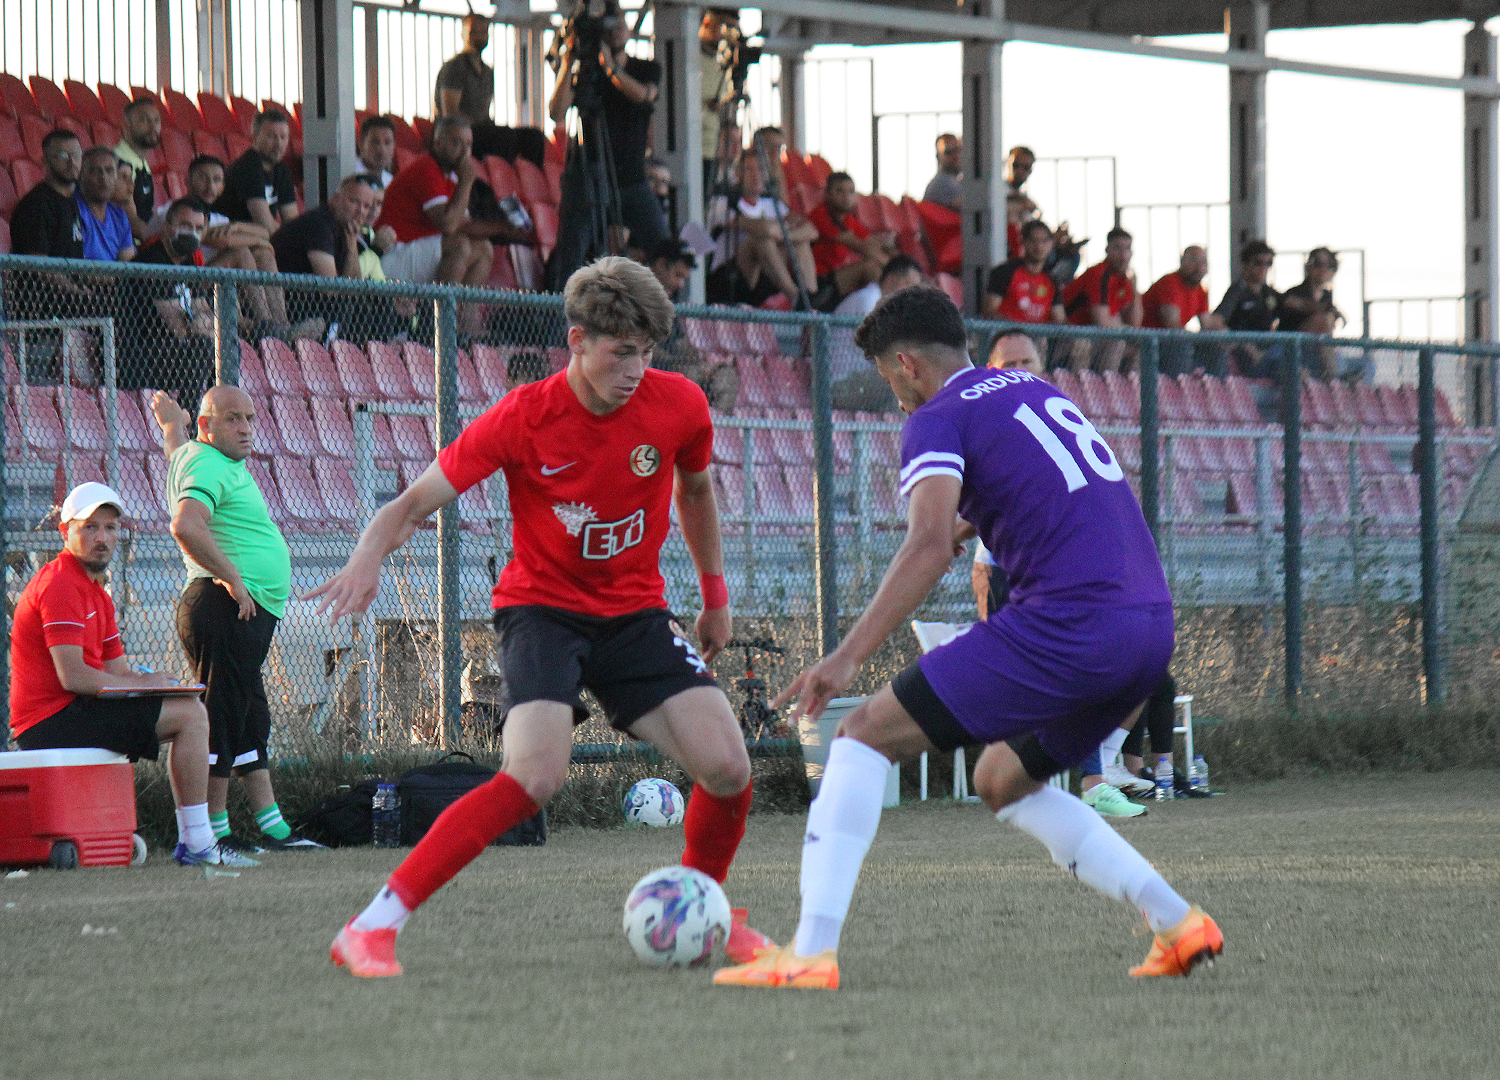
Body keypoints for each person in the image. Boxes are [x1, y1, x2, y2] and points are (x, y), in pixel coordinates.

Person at [714, 286, 1221, 990]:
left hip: (1068, 623)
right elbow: (1035, 490)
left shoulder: (936, 416)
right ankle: (1178, 921)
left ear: (906, 364)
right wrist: (964, 525)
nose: (893, 396)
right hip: (1147, 628)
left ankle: (809, 952)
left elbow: (924, 545)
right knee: (1002, 779)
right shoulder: (1036, 393)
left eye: (889, 378)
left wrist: (845, 656)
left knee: (860, 734)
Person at [309, 257, 775, 978]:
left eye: (647, 353)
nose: (635, 369)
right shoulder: (524, 417)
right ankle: (371, 927)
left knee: (727, 766)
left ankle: (704, 910)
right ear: (578, 340)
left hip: (635, 615)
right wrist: (369, 557)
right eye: (622, 353)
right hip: (543, 614)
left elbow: (698, 490)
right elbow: (409, 504)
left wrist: (716, 598)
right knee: (534, 775)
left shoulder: (678, 403)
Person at [10, 482, 256, 868]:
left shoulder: (97, 592)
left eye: (110, 528)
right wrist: (149, 686)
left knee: (187, 703)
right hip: (49, 721)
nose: (102, 538)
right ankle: (198, 842)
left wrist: (156, 681)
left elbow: (116, 672)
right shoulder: (59, 584)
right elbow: (74, 678)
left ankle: (197, 839)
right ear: (65, 532)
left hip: (75, 710)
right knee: (191, 715)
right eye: (89, 528)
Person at [150, 387, 325, 852]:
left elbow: (178, 452)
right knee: (222, 719)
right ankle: (214, 832)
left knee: (249, 717)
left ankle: (272, 827)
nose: (246, 427)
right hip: (224, 606)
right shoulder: (208, 463)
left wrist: (172, 425)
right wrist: (232, 577)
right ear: (208, 427)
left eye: (250, 418)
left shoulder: (197, 455)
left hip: (237, 609)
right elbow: (186, 525)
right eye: (233, 419)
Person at [548, 0, 667, 279]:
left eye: (620, 23)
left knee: (663, 248)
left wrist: (610, 67)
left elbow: (643, 95)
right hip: (587, 177)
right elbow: (557, 112)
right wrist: (570, 60)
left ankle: (663, 316)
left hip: (632, 179)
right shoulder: (585, 72)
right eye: (608, 25)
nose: (615, 30)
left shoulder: (645, 69)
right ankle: (556, 318)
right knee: (572, 254)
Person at [376, 116, 494, 289]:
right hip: (392, 253)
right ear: (437, 143)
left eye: (468, 145)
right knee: (459, 246)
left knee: (484, 249)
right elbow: (448, 226)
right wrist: (466, 182)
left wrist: (506, 229)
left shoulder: (452, 176)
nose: (464, 151)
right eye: (456, 143)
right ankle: (446, 314)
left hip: (415, 252)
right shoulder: (427, 169)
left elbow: (465, 224)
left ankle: (466, 314)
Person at [119, 198, 216, 403]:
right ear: (166, 227)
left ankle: (214, 413)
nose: (192, 233)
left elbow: (206, 313)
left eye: (199, 228)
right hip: (139, 357)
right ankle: (187, 417)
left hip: (172, 354)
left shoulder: (188, 262)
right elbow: (178, 329)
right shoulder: (152, 262)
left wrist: (200, 323)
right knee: (203, 347)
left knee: (226, 346)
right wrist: (199, 323)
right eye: (185, 225)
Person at [706, 149, 817, 308]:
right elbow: (762, 229)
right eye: (749, 169)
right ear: (738, 174)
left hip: (766, 273)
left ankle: (809, 300)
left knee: (801, 243)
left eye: (761, 169)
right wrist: (781, 232)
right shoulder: (723, 202)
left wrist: (779, 234)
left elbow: (811, 231)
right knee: (762, 239)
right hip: (731, 277)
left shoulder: (774, 205)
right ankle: (795, 298)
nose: (756, 174)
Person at [8, 129, 95, 321]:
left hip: (72, 307)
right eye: (63, 156)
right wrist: (78, 293)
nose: (72, 162)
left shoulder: (72, 200)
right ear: (45, 161)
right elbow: (39, 264)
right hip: (43, 313)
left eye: (77, 155)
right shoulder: (36, 205)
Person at [270, 173, 380, 325]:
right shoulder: (320, 223)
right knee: (341, 307)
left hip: (307, 302)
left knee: (368, 309)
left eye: (366, 206)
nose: (360, 211)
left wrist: (352, 245)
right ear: (336, 198)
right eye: (354, 201)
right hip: (287, 302)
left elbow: (355, 288)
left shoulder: (346, 231)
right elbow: (329, 288)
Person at [808, 172, 896, 311]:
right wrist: (891, 265)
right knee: (870, 268)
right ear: (827, 194)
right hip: (818, 286)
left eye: (851, 192)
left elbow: (872, 243)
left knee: (883, 265)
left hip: (838, 282)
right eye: (839, 191)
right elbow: (859, 245)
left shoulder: (850, 220)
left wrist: (889, 250)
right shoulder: (820, 215)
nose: (846, 197)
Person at [1062, 226, 1141, 374]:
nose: (1123, 256)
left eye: (1127, 249)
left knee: (1141, 347)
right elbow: (1102, 321)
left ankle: (1130, 392)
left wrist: (1135, 290)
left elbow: (1134, 323)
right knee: (1117, 342)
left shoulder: (1125, 279)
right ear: (1107, 250)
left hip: (1094, 339)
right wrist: (1128, 330)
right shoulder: (1100, 274)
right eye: (1117, 249)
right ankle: (1102, 389)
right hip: (1068, 336)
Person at [1141, 246, 1227, 375]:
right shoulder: (1170, 283)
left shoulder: (1200, 291)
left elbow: (1207, 324)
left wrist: (1223, 333)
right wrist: (1195, 337)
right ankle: (1180, 389)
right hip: (1151, 341)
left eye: (1203, 262)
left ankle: (1215, 389)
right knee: (1183, 345)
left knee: (1217, 346)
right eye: (1193, 261)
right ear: (1182, 262)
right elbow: (1171, 324)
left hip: (1173, 342)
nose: (1199, 267)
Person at [213, 110, 300, 232]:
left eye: (283, 137)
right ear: (254, 137)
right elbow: (265, 224)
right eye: (271, 136)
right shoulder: (248, 167)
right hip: (226, 233)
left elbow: (292, 222)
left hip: (255, 235)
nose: (279, 144)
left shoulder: (282, 171)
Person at [435, 15, 507, 158]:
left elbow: (485, 112)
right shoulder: (455, 67)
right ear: (464, 33)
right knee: (504, 137)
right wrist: (479, 125)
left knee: (530, 137)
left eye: (484, 32)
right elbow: (450, 113)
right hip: (457, 133)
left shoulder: (487, 72)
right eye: (474, 32)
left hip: (479, 131)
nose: (479, 36)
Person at [1213, 239, 1281, 377]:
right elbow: (1216, 321)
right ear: (1245, 264)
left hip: (1270, 350)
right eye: (1258, 263)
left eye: (1268, 263)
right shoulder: (1237, 292)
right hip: (1248, 359)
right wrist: (1245, 344)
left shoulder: (1269, 293)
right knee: (1287, 367)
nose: (1264, 268)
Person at [1278, 247, 1347, 380]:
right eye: (1319, 264)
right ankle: (1333, 375)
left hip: (1317, 351)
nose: (1324, 270)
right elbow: (1295, 305)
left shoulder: (1327, 296)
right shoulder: (1295, 292)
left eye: (1330, 266)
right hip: (1292, 350)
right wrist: (1330, 312)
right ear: (1309, 266)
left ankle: (1332, 374)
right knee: (1324, 319)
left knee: (1366, 364)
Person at [983, 219, 1065, 327]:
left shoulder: (1051, 280)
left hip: (1038, 340)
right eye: (1033, 241)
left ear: (1051, 244)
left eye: (1044, 241)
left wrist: (1077, 337)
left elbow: (1060, 320)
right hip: (1006, 337)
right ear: (1023, 242)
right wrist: (1019, 330)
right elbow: (989, 312)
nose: (1039, 247)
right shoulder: (1005, 272)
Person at [699, 8, 740, 199]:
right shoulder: (688, 59)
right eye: (723, 27)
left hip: (712, 150)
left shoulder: (723, 63)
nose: (726, 34)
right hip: (692, 147)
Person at [112, 97, 164, 240]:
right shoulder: (118, 163)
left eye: (157, 121)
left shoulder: (142, 164)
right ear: (126, 125)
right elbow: (132, 224)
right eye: (144, 120)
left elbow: (145, 211)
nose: (153, 127)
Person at [75, 147, 135, 263]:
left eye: (109, 170)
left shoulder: (120, 216)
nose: (103, 178)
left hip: (115, 280)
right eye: (95, 171)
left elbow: (128, 264)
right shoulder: (72, 210)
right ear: (81, 175)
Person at [922, 134, 962, 211]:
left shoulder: (952, 181)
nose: (955, 156)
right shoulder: (941, 182)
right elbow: (971, 204)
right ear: (938, 156)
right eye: (948, 152)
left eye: (958, 150)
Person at [357, 115, 398, 189]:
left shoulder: (393, 184)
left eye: (387, 142)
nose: (382, 149)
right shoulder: (347, 175)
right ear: (361, 144)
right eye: (375, 142)